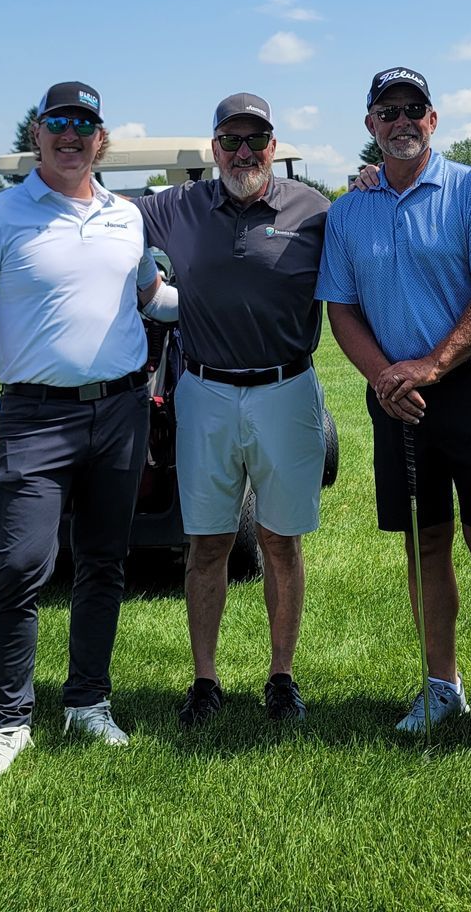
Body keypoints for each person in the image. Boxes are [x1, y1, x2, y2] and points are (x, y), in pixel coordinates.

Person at [0, 80, 178, 785]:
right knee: (18, 564)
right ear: (37, 134)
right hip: (35, 415)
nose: (72, 136)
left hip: (122, 411)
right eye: (59, 123)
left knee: (105, 561)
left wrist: (219, 301)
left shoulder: (127, 217)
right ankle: (6, 721)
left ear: (101, 139)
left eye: (85, 125)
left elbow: (150, 298)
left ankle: (88, 702)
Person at [316, 67, 471, 748]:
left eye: (414, 108)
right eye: (388, 112)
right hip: (397, 401)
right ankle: (442, 684)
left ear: (433, 119)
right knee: (425, 540)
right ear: (371, 125)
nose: (402, 121)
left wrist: (433, 365)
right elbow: (341, 308)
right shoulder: (349, 210)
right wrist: (387, 378)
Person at [136, 92, 330, 728]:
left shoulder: (314, 210)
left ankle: (282, 676)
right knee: (208, 541)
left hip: (286, 388)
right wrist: (146, 287)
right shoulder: (179, 205)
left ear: (273, 146)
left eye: (256, 140)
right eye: (231, 141)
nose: (243, 152)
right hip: (206, 391)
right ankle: (205, 680)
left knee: (280, 540)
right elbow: (110, 220)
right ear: (214, 147)